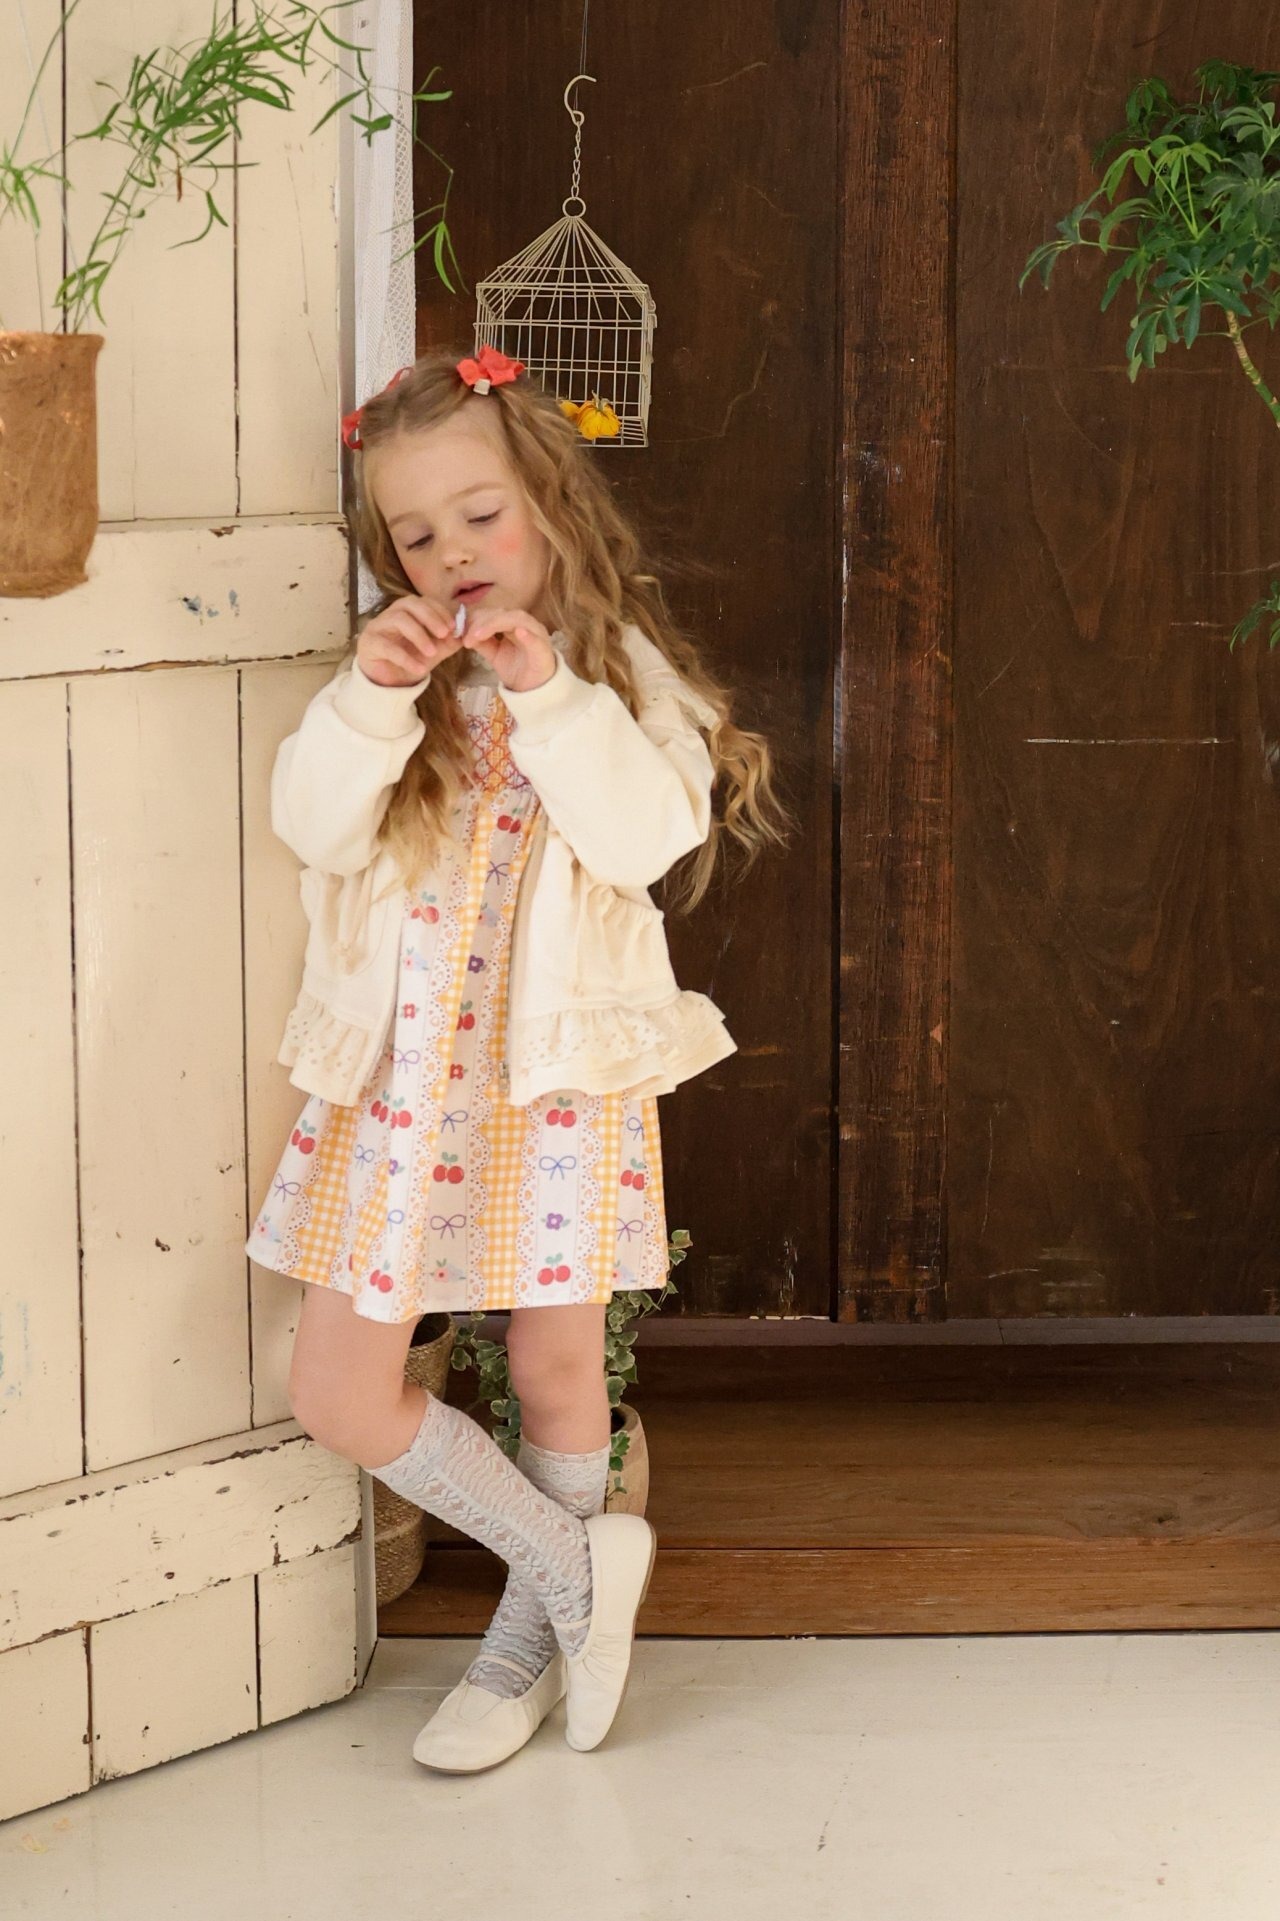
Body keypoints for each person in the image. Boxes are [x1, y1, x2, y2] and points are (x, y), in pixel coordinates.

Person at [244, 343, 792, 1773]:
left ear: (550, 501)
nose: (454, 554)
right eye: (416, 535)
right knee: (338, 1390)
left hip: (550, 1087)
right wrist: (371, 698)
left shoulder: (617, 677)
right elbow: (313, 824)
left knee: (554, 1366)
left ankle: (526, 1646)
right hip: (401, 1087)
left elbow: (646, 836)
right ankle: (571, 1564)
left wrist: (550, 692)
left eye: (481, 515)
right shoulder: (395, 682)